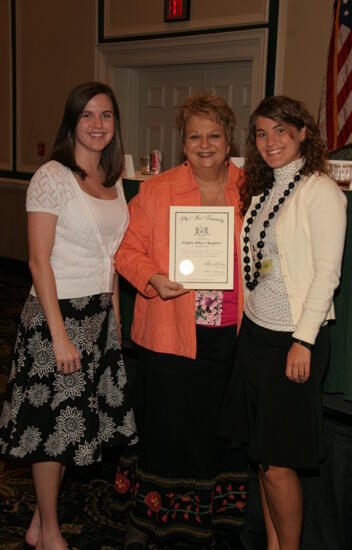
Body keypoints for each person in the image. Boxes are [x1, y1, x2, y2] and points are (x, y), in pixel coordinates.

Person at [0, 82, 137, 550]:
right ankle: (52, 533)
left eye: (106, 116)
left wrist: (113, 323)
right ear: (72, 122)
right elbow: (39, 262)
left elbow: (111, 258)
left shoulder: (114, 178)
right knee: (48, 429)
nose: (98, 124)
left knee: (72, 423)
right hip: (55, 317)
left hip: (98, 315)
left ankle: (40, 521)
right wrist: (60, 337)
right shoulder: (51, 177)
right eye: (88, 116)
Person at [113, 94, 248, 549]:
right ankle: (147, 520)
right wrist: (151, 277)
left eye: (214, 135)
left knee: (217, 432)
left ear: (229, 138)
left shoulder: (250, 189)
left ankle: (212, 523)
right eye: (194, 136)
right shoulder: (157, 190)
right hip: (170, 331)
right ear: (182, 142)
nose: (204, 144)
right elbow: (126, 251)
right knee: (166, 430)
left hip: (230, 335)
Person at [219, 95, 347, 550]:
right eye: (261, 133)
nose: (270, 141)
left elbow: (327, 274)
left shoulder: (321, 191)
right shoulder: (263, 189)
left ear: (302, 134)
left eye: (280, 131)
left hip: (293, 340)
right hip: (256, 336)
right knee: (262, 458)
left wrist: (303, 341)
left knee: (277, 461)